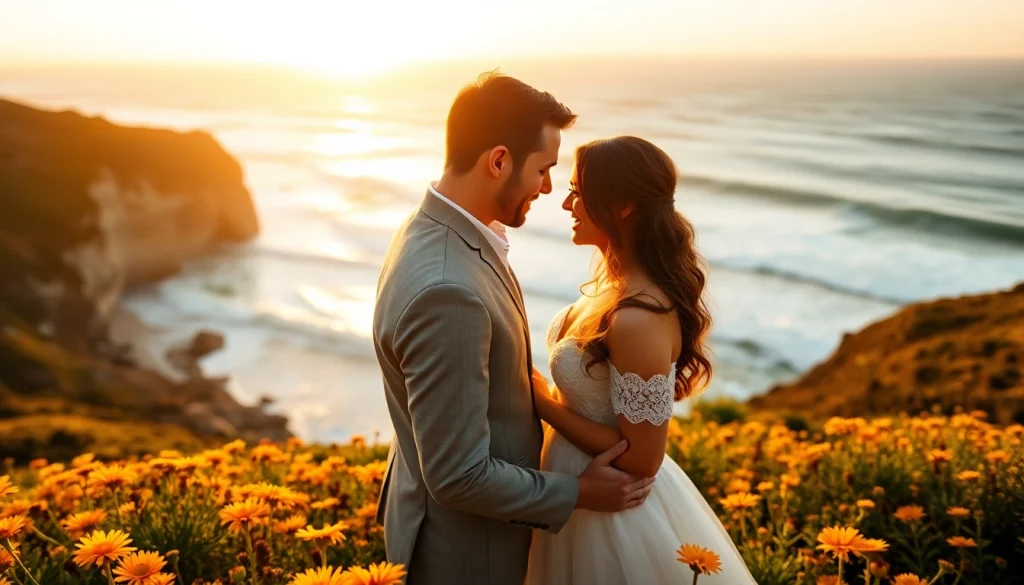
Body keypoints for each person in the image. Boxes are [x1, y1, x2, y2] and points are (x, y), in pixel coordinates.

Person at [372, 73, 655, 585]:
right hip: (467, 555)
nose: (549, 188)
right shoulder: (448, 289)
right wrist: (581, 493)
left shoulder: (433, 229)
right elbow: (458, 475)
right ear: (498, 161)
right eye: (544, 170)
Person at [526, 136, 758, 584]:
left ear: (624, 205)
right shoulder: (612, 288)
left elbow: (642, 460)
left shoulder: (639, 317)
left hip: (615, 516)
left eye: (578, 192)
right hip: (575, 489)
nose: (566, 204)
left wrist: (542, 405)